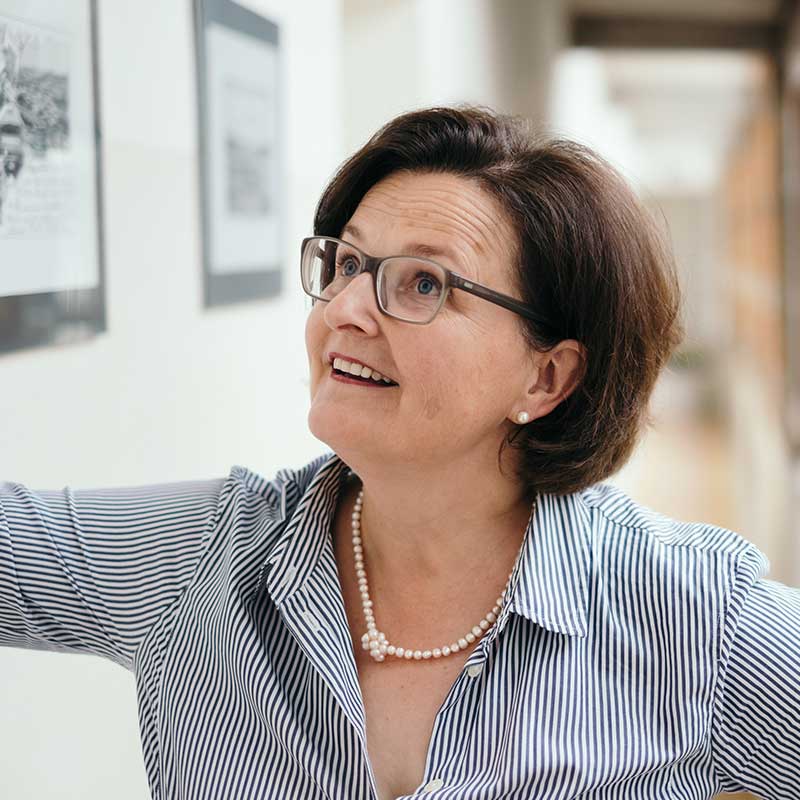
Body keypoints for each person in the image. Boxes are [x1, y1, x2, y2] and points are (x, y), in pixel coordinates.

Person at [2, 105, 799, 800]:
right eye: (347, 263)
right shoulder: (202, 556)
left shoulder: (696, 619)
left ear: (548, 375)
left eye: (424, 284)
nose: (344, 309)